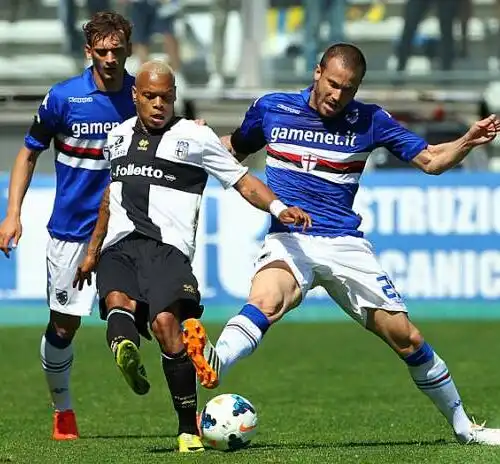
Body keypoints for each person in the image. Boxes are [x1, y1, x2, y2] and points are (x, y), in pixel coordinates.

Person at [182, 43, 500, 446]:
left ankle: (464, 427)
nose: (338, 95)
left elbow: (431, 160)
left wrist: (468, 140)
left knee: (408, 339)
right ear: (318, 73)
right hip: (291, 237)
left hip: (344, 243)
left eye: (348, 89)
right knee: (266, 300)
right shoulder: (271, 108)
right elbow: (235, 149)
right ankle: (217, 360)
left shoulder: (370, 119)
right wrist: (190, 140)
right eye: (333, 84)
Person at [72, 60, 311, 452]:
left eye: (165, 97)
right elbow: (108, 199)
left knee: (168, 326)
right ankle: (124, 350)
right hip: (120, 245)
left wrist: (277, 208)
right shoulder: (115, 138)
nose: (157, 104)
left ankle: (187, 429)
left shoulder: (195, 139)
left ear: (175, 98)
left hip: (168, 251)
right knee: (118, 302)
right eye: (149, 96)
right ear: (135, 96)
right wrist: (92, 252)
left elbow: (243, 181)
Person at [0, 12, 136, 440]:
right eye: (102, 51)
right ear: (88, 52)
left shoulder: (143, 96)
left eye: (117, 50)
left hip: (126, 227)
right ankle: (64, 411)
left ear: (128, 48)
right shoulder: (63, 98)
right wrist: (13, 213)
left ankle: (133, 346)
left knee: (138, 304)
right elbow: (27, 153)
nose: (110, 58)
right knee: (64, 326)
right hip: (71, 231)